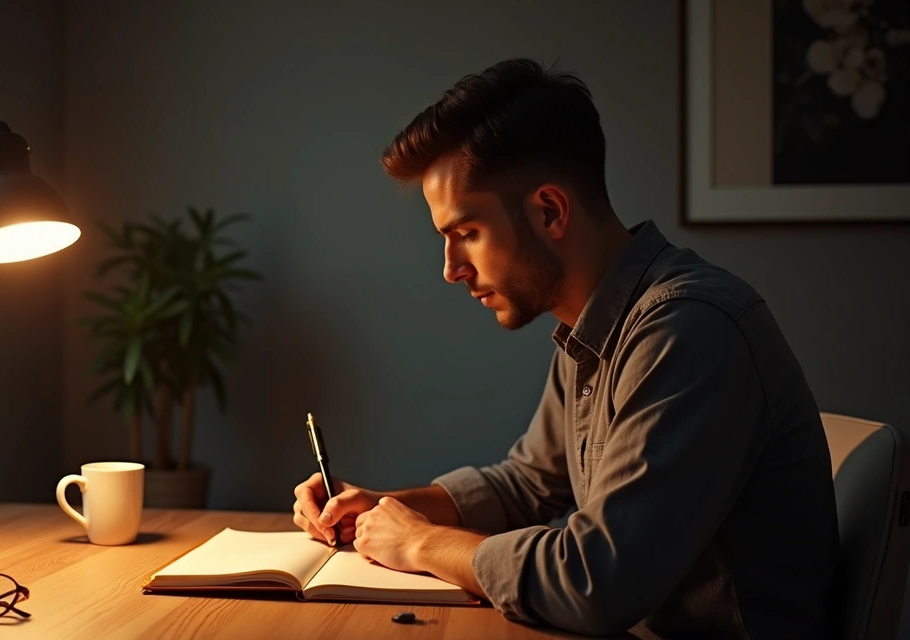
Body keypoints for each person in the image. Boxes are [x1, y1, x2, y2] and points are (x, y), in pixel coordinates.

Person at [291, 58, 840, 638]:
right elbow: (528, 483)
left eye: (467, 234)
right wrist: (382, 510)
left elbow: (596, 581)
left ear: (550, 211)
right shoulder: (595, 327)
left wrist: (421, 542)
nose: (451, 269)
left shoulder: (688, 329)